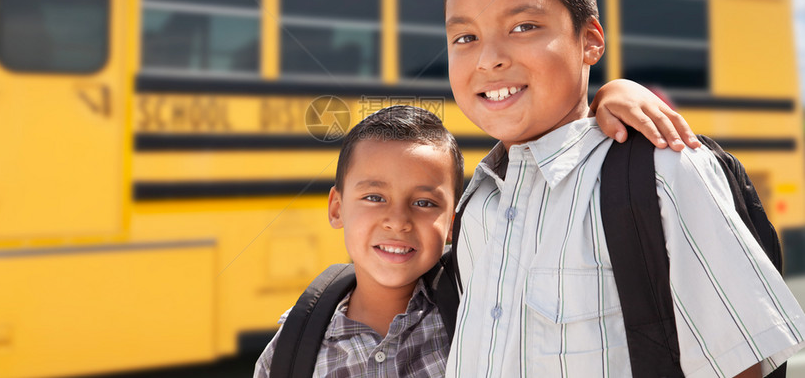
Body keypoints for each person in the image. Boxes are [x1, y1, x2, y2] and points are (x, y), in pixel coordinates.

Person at [444, 0, 805, 378]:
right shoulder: (477, 208)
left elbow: (739, 369)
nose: (487, 57)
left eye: (524, 26)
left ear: (590, 41)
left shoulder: (662, 174)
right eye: (464, 37)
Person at [254, 85, 699, 377]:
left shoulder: (481, 309)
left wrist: (609, 94)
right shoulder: (293, 348)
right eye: (373, 197)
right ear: (336, 207)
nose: (398, 220)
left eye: (425, 203)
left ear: (453, 223)